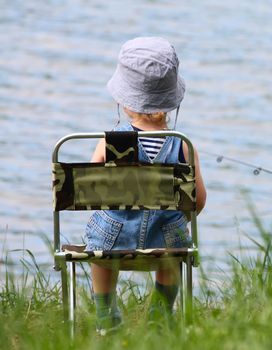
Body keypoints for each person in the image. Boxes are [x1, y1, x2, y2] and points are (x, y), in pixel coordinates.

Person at [84, 36, 207, 333]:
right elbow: (198, 201)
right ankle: (161, 315)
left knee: (101, 254)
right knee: (173, 248)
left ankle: (106, 316)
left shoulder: (110, 143)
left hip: (111, 242)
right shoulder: (183, 146)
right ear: (170, 100)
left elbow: (88, 190)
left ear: (124, 100)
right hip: (165, 243)